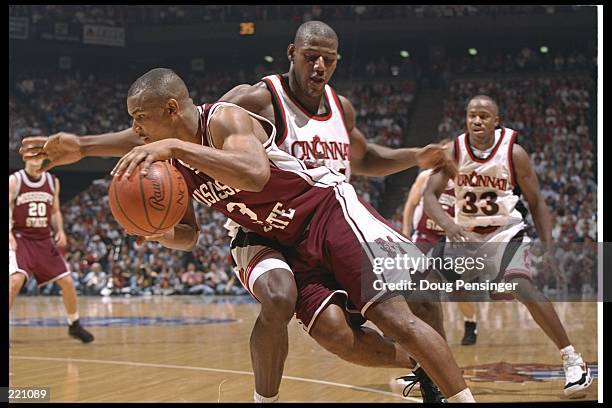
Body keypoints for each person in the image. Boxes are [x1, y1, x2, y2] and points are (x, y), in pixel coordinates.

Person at [21, 22, 448, 402]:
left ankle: (431, 374)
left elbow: (366, 157)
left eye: (329, 59)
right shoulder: (249, 100)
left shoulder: (341, 107)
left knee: (418, 298)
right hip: (260, 227)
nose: (320, 66)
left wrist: (414, 155)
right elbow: (170, 126)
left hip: (325, 219)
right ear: (291, 55)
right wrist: (84, 145)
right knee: (297, 307)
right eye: (311, 56)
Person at [422, 94, 592, 398]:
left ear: (496, 120)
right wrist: (449, 226)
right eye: (472, 115)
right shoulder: (453, 151)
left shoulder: (514, 153)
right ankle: (430, 370)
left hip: (504, 232)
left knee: (521, 286)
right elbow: (430, 196)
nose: (476, 121)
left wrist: (549, 247)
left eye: (484, 116)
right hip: (466, 236)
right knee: (424, 287)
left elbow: (537, 202)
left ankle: (572, 359)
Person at [9, 158, 94, 344]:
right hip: (21, 238)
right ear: (24, 157)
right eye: (31, 153)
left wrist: (60, 230)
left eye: (39, 153)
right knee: (15, 281)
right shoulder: (15, 180)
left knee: (67, 281)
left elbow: (55, 211)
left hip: (43, 239)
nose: (36, 157)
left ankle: (74, 324)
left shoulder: (52, 181)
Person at [402, 168, 478, 346]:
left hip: (449, 239)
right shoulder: (426, 177)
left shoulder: (465, 183)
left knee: (459, 289)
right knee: (407, 282)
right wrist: (405, 231)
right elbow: (411, 204)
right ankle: (400, 326)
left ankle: (471, 323)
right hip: (423, 236)